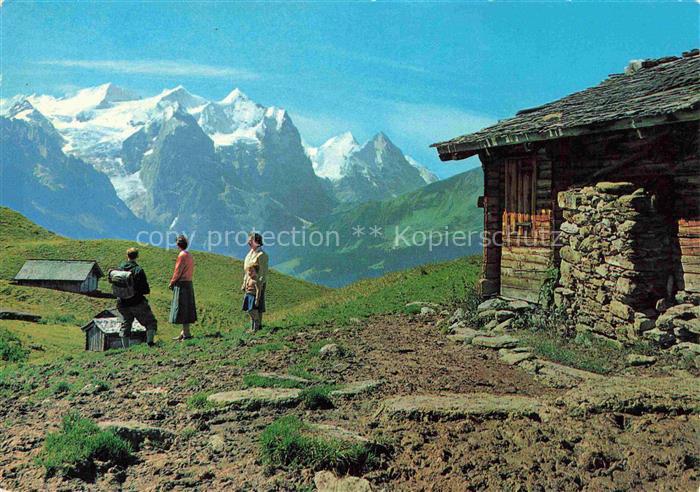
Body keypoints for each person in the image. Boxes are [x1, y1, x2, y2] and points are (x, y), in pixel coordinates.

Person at [112, 247, 158, 347]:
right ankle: (150, 342)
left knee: (126, 323)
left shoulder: (119, 269)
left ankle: (125, 348)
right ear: (137, 256)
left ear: (127, 256)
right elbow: (145, 289)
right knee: (151, 322)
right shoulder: (138, 270)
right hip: (137, 302)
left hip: (122, 302)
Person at [169, 235, 197, 341]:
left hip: (182, 284)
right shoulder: (189, 255)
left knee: (182, 308)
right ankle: (184, 331)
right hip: (189, 283)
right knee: (187, 308)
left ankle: (186, 333)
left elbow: (178, 271)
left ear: (178, 245)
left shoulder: (181, 255)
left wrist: (172, 282)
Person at [241, 232, 269, 331]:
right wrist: (245, 282)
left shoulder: (262, 255)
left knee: (257, 304)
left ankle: (259, 325)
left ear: (256, 241)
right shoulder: (250, 253)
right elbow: (247, 270)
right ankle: (254, 325)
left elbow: (263, 271)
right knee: (251, 304)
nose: (248, 242)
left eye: (250, 240)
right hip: (249, 282)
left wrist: (259, 284)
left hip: (257, 283)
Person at [242, 265, 261, 331]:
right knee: (249, 311)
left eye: (252, 271)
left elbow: (258, 290)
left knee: (253, 312)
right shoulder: (248, 278)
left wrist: (257, 300)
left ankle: (256, 328)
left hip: (253, 297)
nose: (250, 272)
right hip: (248, 296)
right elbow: (246, 286)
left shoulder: (256, 280)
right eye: (249, 271)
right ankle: (252, 328)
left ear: (256, 272)